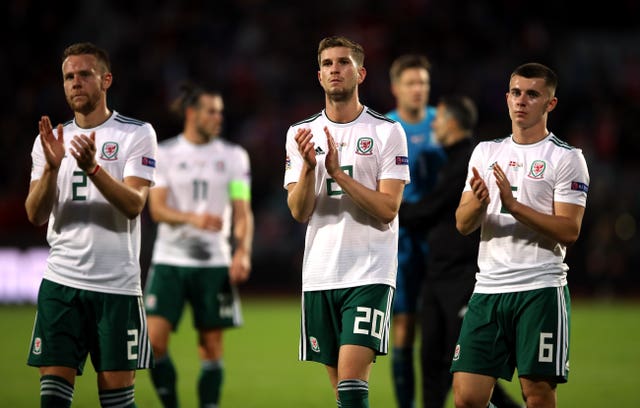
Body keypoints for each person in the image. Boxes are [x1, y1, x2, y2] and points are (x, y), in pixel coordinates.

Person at [25, 42, 157, 407]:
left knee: (117, 402)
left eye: (84, 74)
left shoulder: (136, 133)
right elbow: (35, 214)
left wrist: (94, 169)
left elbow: (134, 205)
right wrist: (52, 168)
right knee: (52, 399)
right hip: (61, 284)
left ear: (106, 80)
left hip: (116, 286)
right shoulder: (50, 141)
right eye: (69, 76)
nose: (76, 82)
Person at [451, 63, 590, 408]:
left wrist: (513, 206)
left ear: (550, 104)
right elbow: (463, 223)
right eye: (516, 92)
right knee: (467, 397)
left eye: (532, 94)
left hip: (540, 289)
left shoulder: (567, 158)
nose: (521, 101)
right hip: (488, 289)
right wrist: (479, 204)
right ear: (507, 98)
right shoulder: (486, 152)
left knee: (538, 396)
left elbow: (570, 230)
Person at [283, 35, 410, 408]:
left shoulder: (387, 131)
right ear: (319, 76)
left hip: (369, 272)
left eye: (343, 62)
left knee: (353, 384)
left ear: (361, 73)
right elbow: (299, 211)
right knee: (344, 393)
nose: (334, 69)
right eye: (327, 64)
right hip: (321, 274)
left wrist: (338, 174)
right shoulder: (299, 134)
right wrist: (309, 169)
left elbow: (389, 208)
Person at [399, 96, 521, 408]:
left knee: (468, 367)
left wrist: (383, 206)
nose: (433, 124)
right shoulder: (447, 161)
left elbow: (428, 210)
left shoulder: (470, 159)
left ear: (452, 122)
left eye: (437, 118)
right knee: (431, 364)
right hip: (437, 274)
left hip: (464, 276)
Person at [144, 82, 253, 407]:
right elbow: (157, 209)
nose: (219, 117)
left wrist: (243, 251)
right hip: (169, 260)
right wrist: (194, 219)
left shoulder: (234, 156)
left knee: (211, 347)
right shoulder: (164, 153)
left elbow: (242, 211)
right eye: (211, 111)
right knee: (153, 343)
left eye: (220, 111)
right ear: (191, 113)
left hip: (214, 263)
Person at [385, 54, 446, 408]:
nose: (418, 89)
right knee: (405, 326)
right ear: (396, 88)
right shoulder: (386, 128)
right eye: (411, 83)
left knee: (442, 329)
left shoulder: (442, 122)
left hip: (441, 240)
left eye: (422, 82)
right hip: (404, 241)